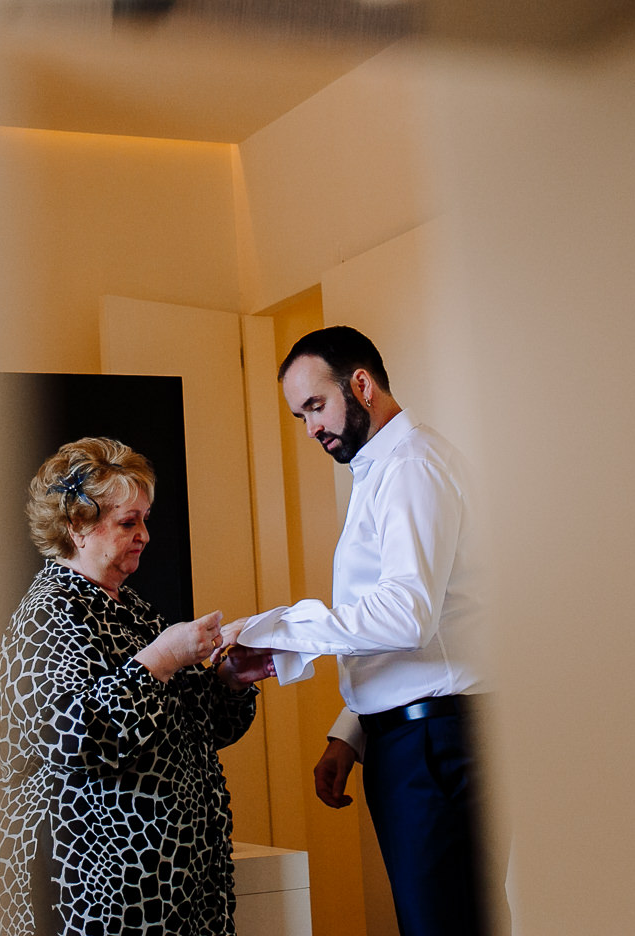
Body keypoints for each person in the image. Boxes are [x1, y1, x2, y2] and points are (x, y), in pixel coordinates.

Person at [232, 326, 504, 936]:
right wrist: (350, 733)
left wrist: (281, 630)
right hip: (415, 737)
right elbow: (431, 626)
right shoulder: (380, 471)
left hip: (436, 742)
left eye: (316, 406)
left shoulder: (411, 467)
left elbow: (407, 614)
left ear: (361, 384)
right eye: (299, 415)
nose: (310, 429)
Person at [0, 437, 276, 936]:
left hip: (171, 883)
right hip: (95, 886)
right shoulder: (47, 615)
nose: (144, 535)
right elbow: (72, 736)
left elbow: (195, 729)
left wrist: (230, 678)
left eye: (144, 519)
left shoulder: (130, 608)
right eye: (127, 521)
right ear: (76, 525)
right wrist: (160, 659)